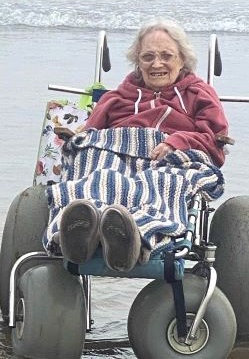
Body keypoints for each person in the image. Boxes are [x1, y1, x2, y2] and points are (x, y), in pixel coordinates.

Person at [46, 17, 229, 272]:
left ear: (183, 60)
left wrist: (178, 141)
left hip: (169, 156)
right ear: (137, 62)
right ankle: (79, 231)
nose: (157, 64)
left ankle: (135, 234)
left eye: (167, 56)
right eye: (148, 57)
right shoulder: (117, 97)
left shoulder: (199, 93)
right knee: (99, 174)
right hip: (114, 151)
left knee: (161, 182)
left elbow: (215, 142)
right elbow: (89, 135)